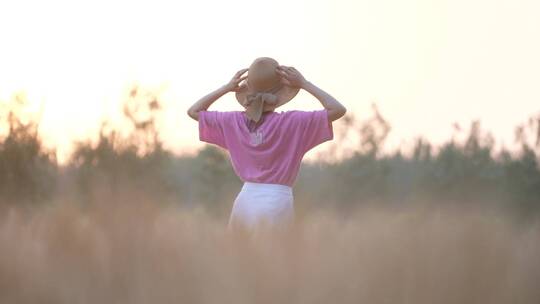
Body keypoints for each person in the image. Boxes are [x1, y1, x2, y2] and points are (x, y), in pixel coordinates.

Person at [187, 57, 346, 235]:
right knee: (273, 258)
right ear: (281, 93)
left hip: (245, 199)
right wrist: (304, 83)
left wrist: (226, 88)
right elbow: (337, 109)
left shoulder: (233, 122)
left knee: (240, 258)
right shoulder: (293, 123)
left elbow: (194, 111)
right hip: (278, 199)